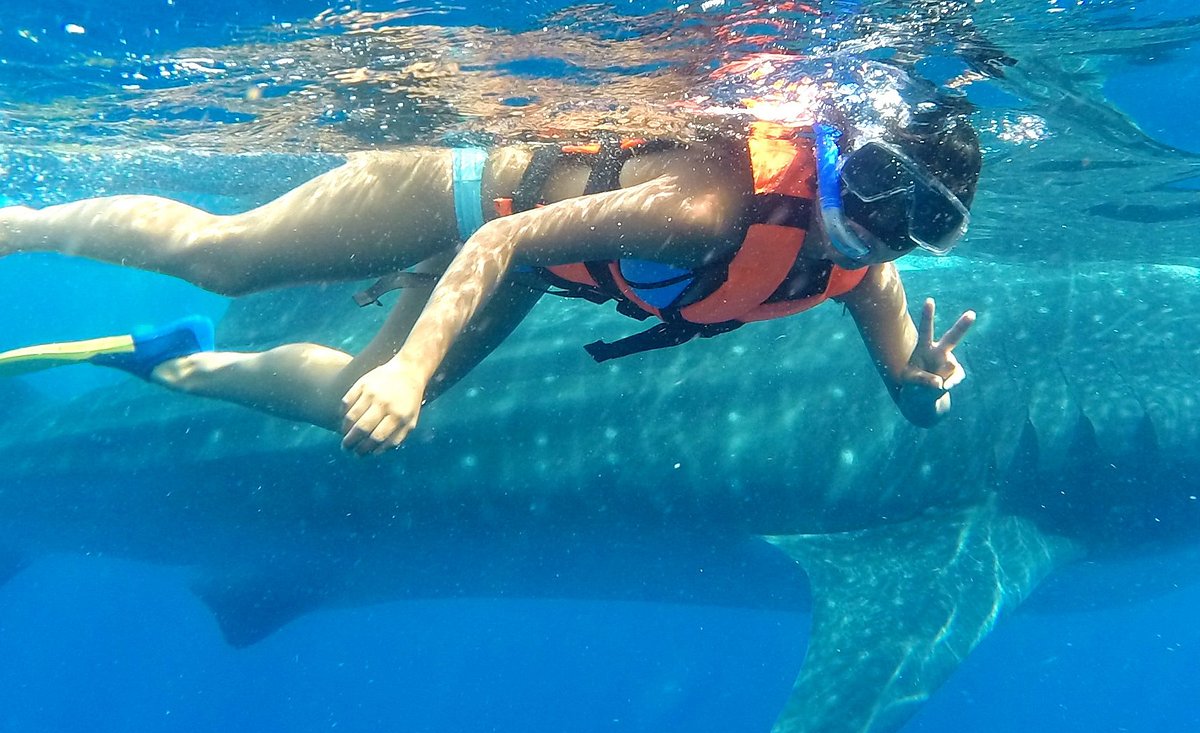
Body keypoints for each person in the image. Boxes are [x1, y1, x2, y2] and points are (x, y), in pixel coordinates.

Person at [0, 59, 981, 456]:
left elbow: (910, 401)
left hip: (514, 272)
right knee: (226, 258)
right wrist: (419, 371)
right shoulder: (705, 206)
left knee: (347, 396)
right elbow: (503, 231)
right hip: (461, 191)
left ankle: (170, 359)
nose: (861, 240)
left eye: (901, 236)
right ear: (833, 160)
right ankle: (19, 225)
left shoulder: (865, 276)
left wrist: (926, 389)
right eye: (855, 209)